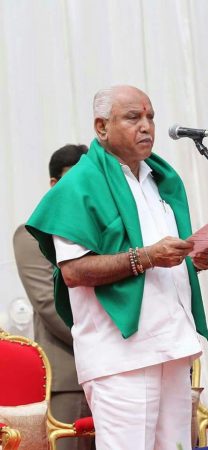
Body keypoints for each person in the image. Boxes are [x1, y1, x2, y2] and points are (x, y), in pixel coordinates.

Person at [26, 85, 208, 450]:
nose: (146, 126)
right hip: (121, 357)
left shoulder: (160, 179)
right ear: (101, 127)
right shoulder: (79, 185)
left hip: (173, 346)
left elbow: (163, 256)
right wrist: (147, 257)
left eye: (150, 117)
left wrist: (193, 258)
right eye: (133, 117)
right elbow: (73, 271)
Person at [13, 144, 94, 450]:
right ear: (54, 184)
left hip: (114, 372)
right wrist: (103, 338)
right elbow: (48, 304)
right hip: (70, 379)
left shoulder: (100, 231)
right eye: (74, 179)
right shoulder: (31, 234)